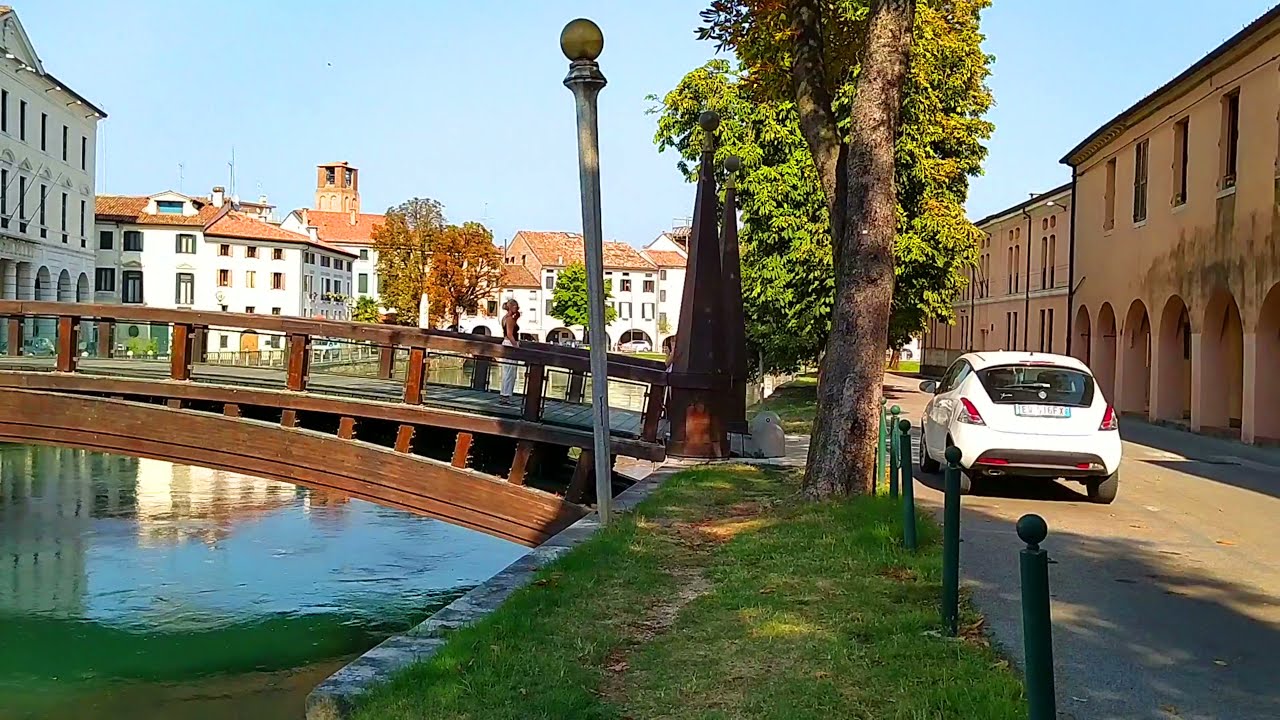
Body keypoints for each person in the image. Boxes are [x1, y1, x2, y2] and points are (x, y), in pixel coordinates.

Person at [499, 299, 520, 404]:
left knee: (506, 371)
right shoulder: (510, 320)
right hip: (510, 344)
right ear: (512, 307)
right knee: (510, 372)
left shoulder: (504, 318)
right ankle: (506, 395)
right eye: (516, 307)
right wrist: (516, 346)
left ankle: (504, 394)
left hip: (505, 343)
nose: (517, 308)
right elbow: (510, 334)